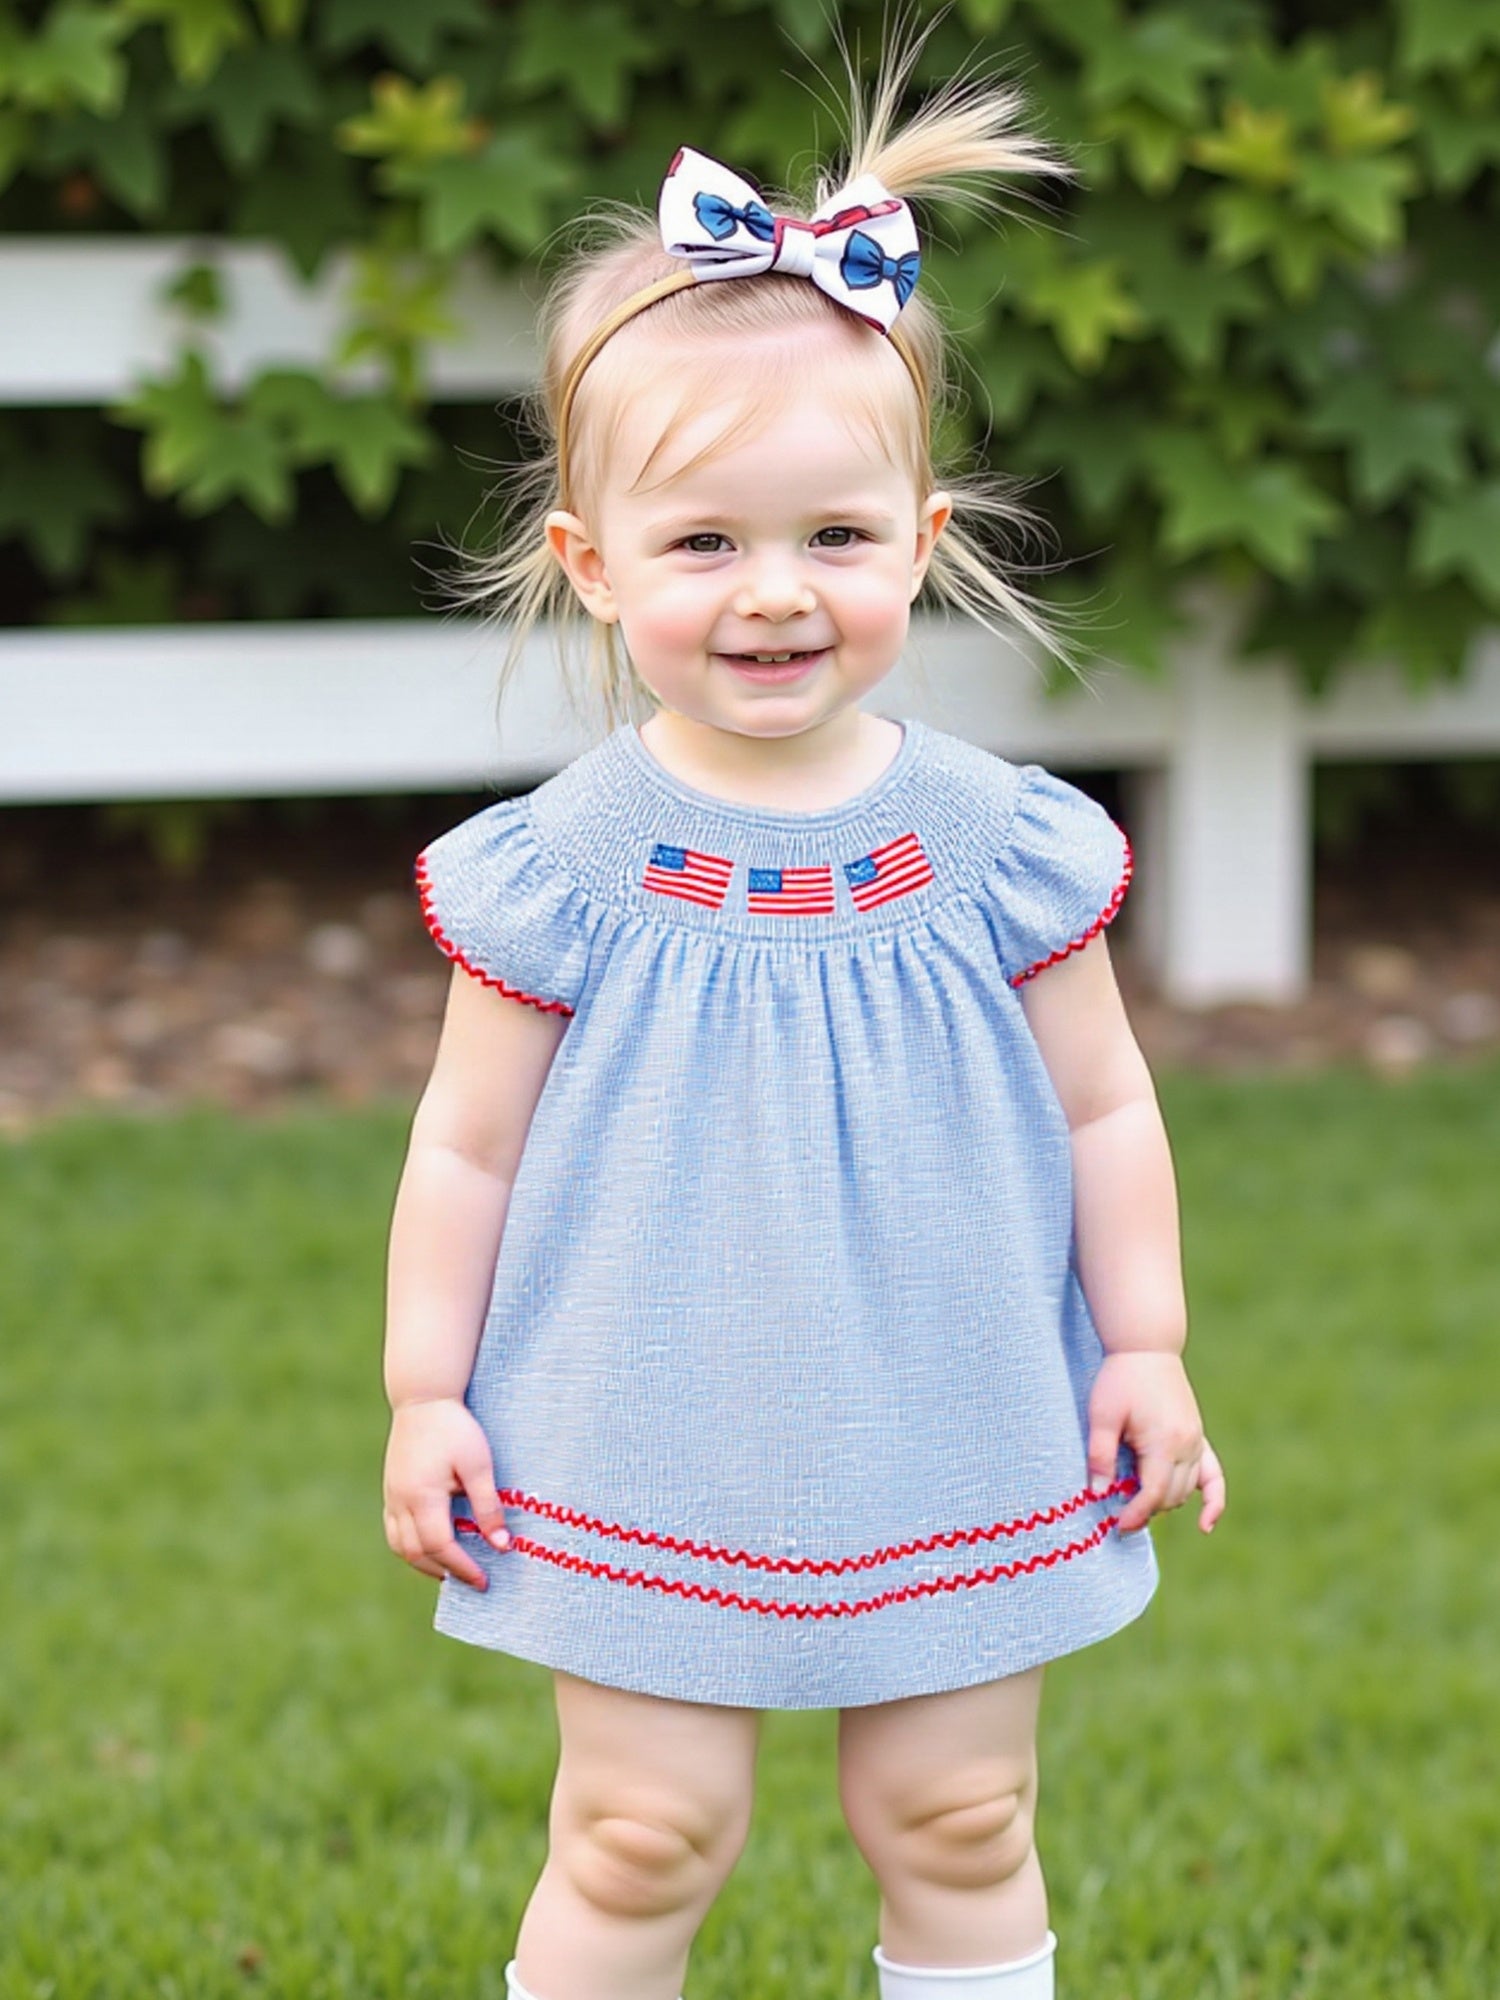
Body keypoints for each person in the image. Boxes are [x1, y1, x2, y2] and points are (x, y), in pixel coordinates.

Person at [381, 44, 1226, 2000]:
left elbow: (1105, 1109)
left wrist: (1147, 1340)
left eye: (834, 538)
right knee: (639, 1831)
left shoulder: (1002, 849)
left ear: (920, 538)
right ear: (595, 565)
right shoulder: (565, 866)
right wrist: (428, 1389)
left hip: (952, 1405)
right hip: (641, 1418)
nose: (775, 594)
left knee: (962, 1816)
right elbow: (465, 1145)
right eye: (705, 544)